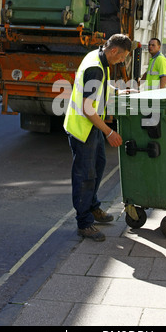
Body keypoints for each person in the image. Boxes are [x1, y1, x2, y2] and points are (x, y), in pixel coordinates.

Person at [64, 34, 132, 242]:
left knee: (98, 166)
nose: (122, 61)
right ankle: (84, 223)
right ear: (113, 51)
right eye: (122, 57)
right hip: (83, 128)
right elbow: (87, 108)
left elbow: (99, 88)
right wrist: (109, 132)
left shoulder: (97, 57)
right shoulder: (95, 67)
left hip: (90, 127)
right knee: (85, 176)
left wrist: (119, 92)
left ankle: (92, 207)